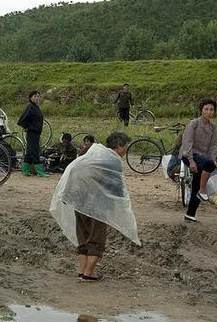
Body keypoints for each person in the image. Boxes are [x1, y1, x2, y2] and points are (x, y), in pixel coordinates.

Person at [50, 131, 134, 282]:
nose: (125, 150)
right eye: (125, 147)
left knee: (83, 237)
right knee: (96, 239)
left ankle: (82, 271)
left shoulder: (93, 154)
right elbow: (116, 187)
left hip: (79, 201)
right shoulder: (113, 160)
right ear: (119, 146)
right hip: (97, 205)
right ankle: (89, 274)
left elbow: (75, 171)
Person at [181, 99, 217, 223]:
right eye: (206, 109)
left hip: (202, 158)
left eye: (211, 109)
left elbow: (212, 147)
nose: (209, 112)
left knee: (196, 185)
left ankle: (190, 215)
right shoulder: (193, 124)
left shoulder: (213, 127)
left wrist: (212, 160)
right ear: (201, 110)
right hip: (189, 155)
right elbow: (187, 143)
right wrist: (191, 161)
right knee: (208, 165)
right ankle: (203, 191)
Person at [17, 90, 48, 177]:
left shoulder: (35, 107)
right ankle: (40, 172)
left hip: (36, 133)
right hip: (32, 133)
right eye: (35, 96)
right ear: (30, 98)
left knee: (30, 152)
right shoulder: (30, 107)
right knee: (35, 151)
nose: (37, 98)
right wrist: (26, 127)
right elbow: (21, 120)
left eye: (38, 96)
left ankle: (25, 172)